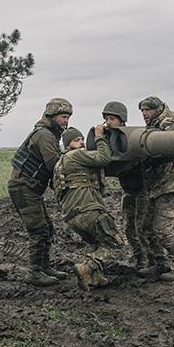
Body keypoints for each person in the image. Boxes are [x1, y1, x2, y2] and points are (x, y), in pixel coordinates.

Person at [7, 98, 73, 286]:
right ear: (51, 116)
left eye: (67, 117)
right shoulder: (45, 135)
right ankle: (34, 272)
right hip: (23, 187)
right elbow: (53, 165)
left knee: (47, 228)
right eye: (62, 117)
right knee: (38, 230)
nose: (65, 121)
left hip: (29, 188)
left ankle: (44, 267)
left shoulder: (48, 134)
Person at [52, 124, 126, 290]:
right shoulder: (76, 155)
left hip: (72, 216)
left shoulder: (60, 163)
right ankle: (87, 268)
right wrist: (100, 136)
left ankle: (94, 278)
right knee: (116, 245)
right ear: (68, 143)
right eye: (77, 140)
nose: (82, 142)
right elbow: (103, 158)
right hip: (89, 211)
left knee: (96, 245)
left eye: (82, 139)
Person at [137, 96, 174, 281]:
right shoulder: (154, 126)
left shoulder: (169, 124)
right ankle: (161, 264)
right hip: (159, 185)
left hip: (173, 184)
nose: (145, 114)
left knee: (162, 228)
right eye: (143, 111)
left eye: (148, 110)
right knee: (146, 227)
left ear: (158, 109)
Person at [101, 101, 150, 269]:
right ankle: (139, 259)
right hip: (127, 190)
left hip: (143, 190)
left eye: (112, 119)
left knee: (141, 227)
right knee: (129, 228)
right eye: (106, 119)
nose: (108, 122)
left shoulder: (131, 138)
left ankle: (152, 260)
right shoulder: (110, 138)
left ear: (121, 120)